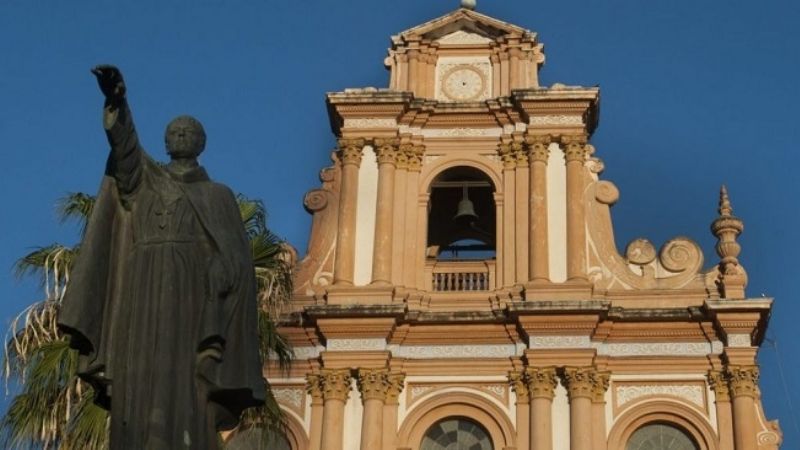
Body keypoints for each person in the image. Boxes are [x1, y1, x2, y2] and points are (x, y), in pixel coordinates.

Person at [58, 65, 265, 449]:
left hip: (191, 295)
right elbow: (126, 150)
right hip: (142, 286)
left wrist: (222, 272)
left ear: (200, 143)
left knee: (184, 377)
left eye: (188, 131)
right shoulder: (145, 180)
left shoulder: (218, 195)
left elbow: (235, 256)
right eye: (174, 131)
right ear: (166, 143)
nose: (180, 134)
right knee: (139, 372)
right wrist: (118, 102)